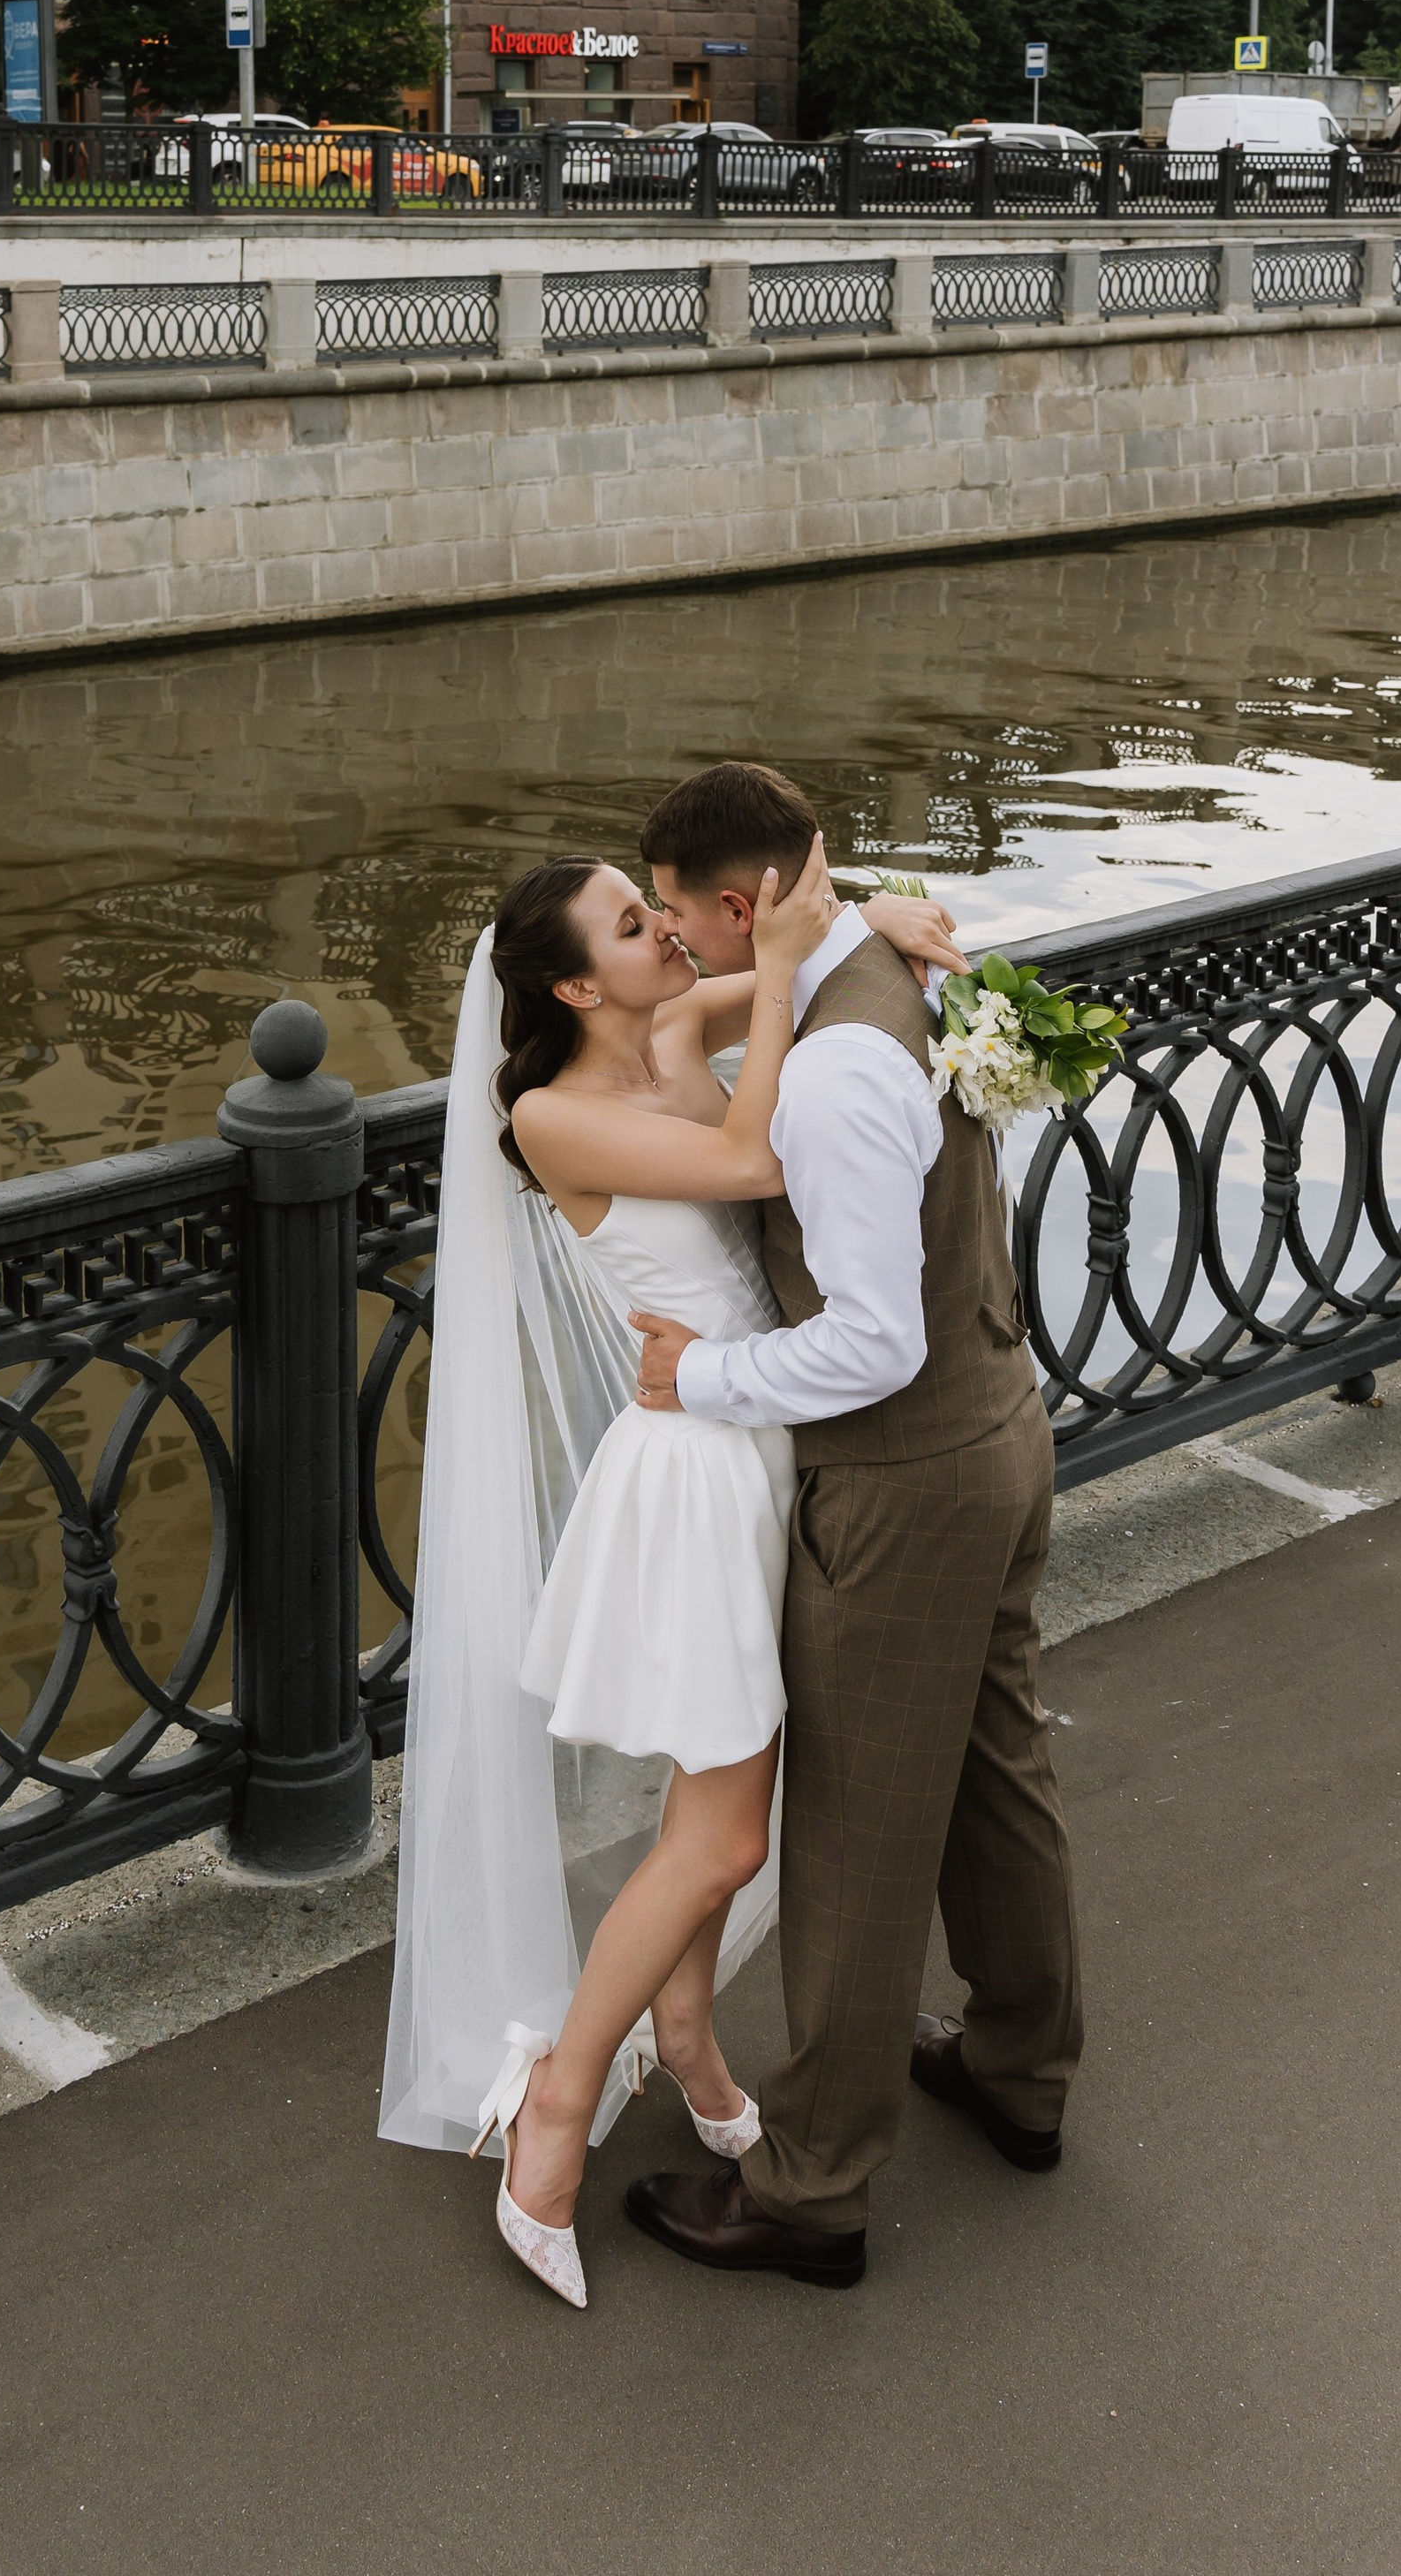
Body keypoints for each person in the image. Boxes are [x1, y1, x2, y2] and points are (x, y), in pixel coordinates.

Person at [377, 837, 968, 2307]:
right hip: (698, 1474)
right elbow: (750, 1163)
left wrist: (870, 916)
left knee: (716, 1810)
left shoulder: (664, 1026)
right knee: (720, 1838)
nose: (666, 937)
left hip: (749, 1438)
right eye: (634, 928)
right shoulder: (551, 1115)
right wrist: (766, 980)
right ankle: (558, 2113)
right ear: (574, 982)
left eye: (657, 914)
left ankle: (693, 2049)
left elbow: (788, 977)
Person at [624, 760, 1086, 2288]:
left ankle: (811, 2191)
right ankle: (1020, 2076)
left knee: (856, 1837)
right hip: (999, 1422)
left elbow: (869, 1342)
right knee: (993, 1770)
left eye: (683, 929)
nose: (676, 954)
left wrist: (704, 1381)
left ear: (745, 905)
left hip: (901, 1482)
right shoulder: (894, 959)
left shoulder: (823, 1071)